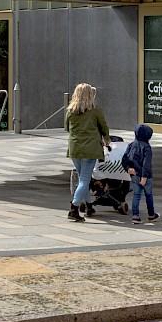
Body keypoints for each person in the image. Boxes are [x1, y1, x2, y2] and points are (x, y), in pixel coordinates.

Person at [64, 83, 110, 222]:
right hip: (90, 148)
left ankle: (89, 206)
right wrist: (106, 139)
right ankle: (74, 208)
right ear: (90, 95)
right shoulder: (95, 110)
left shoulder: (70, 111)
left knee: (82, 179)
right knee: (85, 179)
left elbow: (67, 128)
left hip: (75, 148)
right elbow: (104, 127)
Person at [122, 123, 158, 224]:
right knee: (149, 195)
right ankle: (151, 215)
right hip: (146, 176)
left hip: (134, 174)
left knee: (136, 195)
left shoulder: (131, 145)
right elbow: (147, 163)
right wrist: (144, 176)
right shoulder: (147, 147)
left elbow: (125, 158)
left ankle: (135, 216)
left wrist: (128, 168)